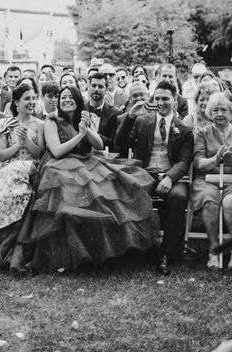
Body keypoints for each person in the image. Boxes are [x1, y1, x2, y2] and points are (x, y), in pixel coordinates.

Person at [13, 85, 158, 272]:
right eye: (63, 97)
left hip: (86, 163)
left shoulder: (84, 118)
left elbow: (98, 144)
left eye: (70, 97)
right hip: (58, 168)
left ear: (78, 100)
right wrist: (80, 135)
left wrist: (86, 128)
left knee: (110, 195)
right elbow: (56, 152)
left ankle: (104, 253)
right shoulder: (52, 121)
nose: (66, 100)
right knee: (70, 200)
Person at [114, 80, 194, 275]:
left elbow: (184, 161)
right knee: (130, 193)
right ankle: (134, 247)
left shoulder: (183, 128)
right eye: (157, 98)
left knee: (179, 197)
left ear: (175, 101)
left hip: (171, 176)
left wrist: (169, 178)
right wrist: (131, 116)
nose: (161, 102)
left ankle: (166, 253)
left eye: (165, 98)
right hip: (144, 174)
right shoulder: (142, 121)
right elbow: (120, 143)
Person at [191, 93, 232, 270]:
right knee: (210, 203)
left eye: (224, 110)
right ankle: (213, 249)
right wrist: (216, 159)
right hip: (207, 180)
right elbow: (198, 162)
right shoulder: (202, 133)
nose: (219, 114)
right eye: (215, 110)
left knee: (231, 202)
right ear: (210, 113)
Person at [0, 84, 44, 241]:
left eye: (34, 98)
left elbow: (39, 154)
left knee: (16, 169)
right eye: (27, 98)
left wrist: (26, 139)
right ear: (17, 103)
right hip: (8, 168)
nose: (31, 102)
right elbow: (2, 155)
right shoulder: (6, 124)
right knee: (8, 173)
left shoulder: (40, 125)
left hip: (30, 166)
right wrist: (18, 144)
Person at [85, 72, 120, 152]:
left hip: (105, 157)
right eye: (93, 86)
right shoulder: (80, 109)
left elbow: (114, 143)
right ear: (89, 87)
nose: (96, 89)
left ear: (106, 89)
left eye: (100, 87)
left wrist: (93, 134)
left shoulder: (115, 113)